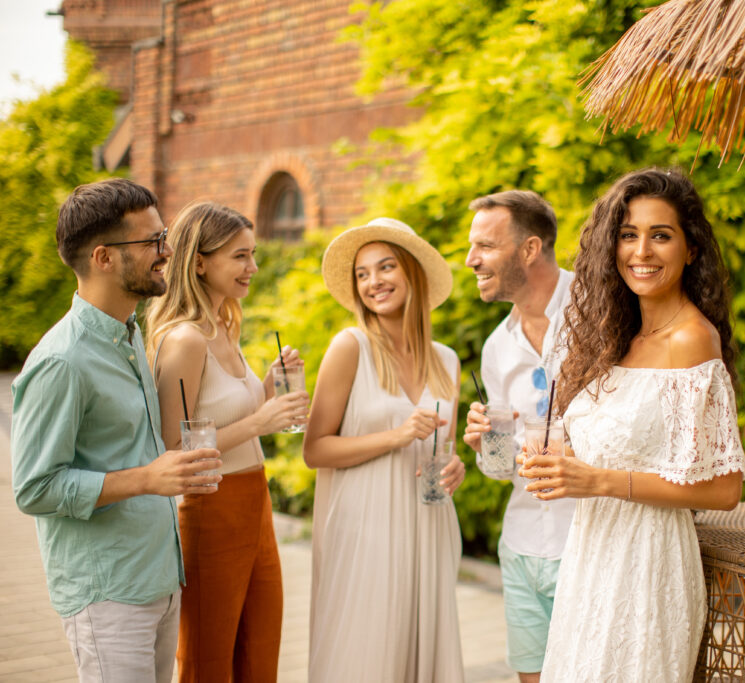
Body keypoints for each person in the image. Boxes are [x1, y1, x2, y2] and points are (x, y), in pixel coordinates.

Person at [519, 168, 745, 681]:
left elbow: (723, 488)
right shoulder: (616, 337)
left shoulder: (692, 341)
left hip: (648, 569)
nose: (641, 251)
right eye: (628, 235)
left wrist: (597, 481)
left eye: (660, 235)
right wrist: (562, 465)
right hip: (591, 558)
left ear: (690, 250)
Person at [11, 178, 222, 682]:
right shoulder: (62, 361)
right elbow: (34, 487)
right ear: (104, 258)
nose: (167, 251)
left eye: (163, 235)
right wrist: (149, 479)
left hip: (158, 577)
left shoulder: (130, 333)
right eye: (151, 241)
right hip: (106, 592)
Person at [144, 201, 309, 681]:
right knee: (208, 659)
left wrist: (268, 388)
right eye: (240, 256)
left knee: (259, 650)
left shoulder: (224, 326)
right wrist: (263, 420)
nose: (253, 267)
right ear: (199, 261)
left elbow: (222, 417)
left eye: (253, 254)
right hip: (210, 510)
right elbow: (174, 450)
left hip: (255, 504)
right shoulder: (185, 339)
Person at [304, 217, 466, 682]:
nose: (374, 282)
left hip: (428, 526)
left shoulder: (447, 361)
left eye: (386, 267)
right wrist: (396, 435)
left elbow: (442, 450)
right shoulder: (349, 347)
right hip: (365, 531)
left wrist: (455, 468)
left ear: (412, 272)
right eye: (362, 273)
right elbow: (315, 450)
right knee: (365, 657)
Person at [461, 190, 576, 683]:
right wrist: (486, 443)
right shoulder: (495, 348)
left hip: (588, 544)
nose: (471, 260)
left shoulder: (604, 315)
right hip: (523, 545)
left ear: (529, 249)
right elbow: (502, 466)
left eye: (485, 246)